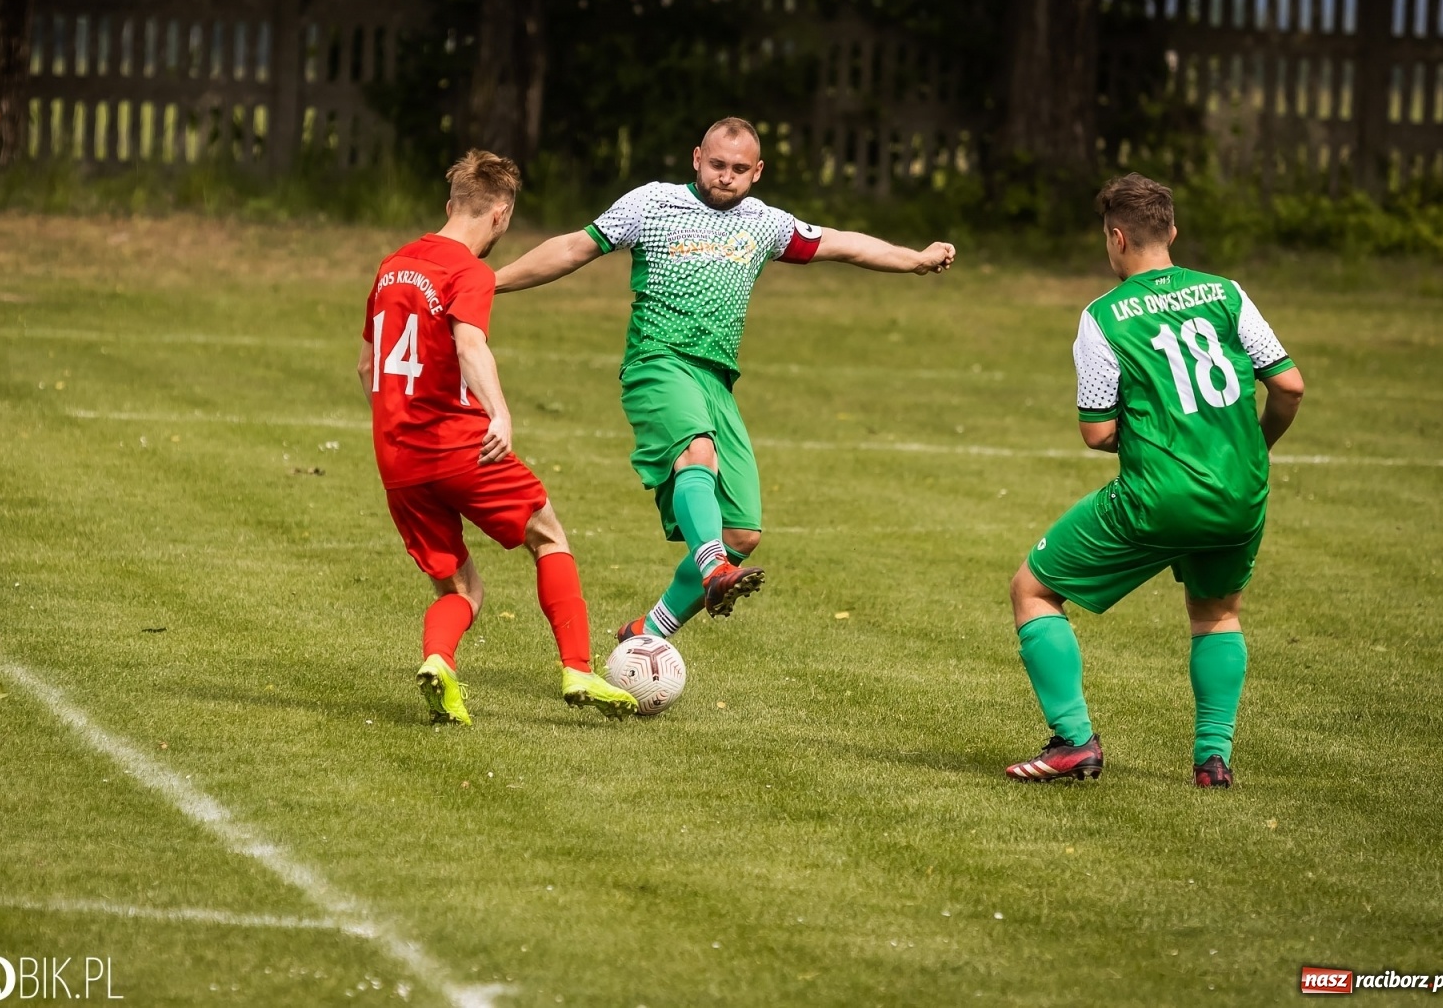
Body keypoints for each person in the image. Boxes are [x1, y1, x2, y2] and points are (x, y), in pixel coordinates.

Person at [494, 117, 956, 643]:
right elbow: (575, 247)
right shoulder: (652, 203)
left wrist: (914, 259)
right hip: (659, 362)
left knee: (742, 531)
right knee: (697, 454)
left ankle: (647, 631)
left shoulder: (764, 223)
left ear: (757, 172)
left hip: (717, 381)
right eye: (717, 165)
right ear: (697, 158)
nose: (726, 177)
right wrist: (490, 282)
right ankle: (714, 570)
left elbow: (843, 244)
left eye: (739, 169)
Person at [1005, 173, 1305, 788]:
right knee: (1217, 613)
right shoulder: (1226, 293)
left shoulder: (1103, 317)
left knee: (1033, 590)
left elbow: (1097, 431)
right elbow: (1289, 385)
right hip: (1241, 491)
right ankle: (1211, 761)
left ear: (1116, 238)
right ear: (1171, 230)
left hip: (1158, 495)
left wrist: (1153, 432)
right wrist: (1255, 446)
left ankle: (1073, 742)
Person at [359, 149, 639, 725]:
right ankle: (578, 668)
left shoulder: (392, 266)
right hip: (459, 445)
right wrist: (500, 415)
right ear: (501, 214)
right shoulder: (469, 271)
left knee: (461, 588)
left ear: (450, 204)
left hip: (397, 459)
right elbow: (470, 344)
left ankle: (439, 663)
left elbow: (367, 369)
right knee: (548, 535)